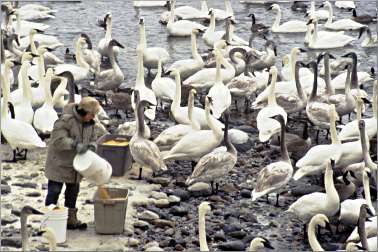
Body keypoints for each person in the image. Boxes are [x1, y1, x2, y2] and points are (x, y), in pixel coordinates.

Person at [44, 96, 101, 230]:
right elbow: (58, 141)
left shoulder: (90, 123)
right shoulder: (65, 121)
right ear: (83, 112)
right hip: (59, 164)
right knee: (54, 191)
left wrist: (92, 146)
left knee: (73, 191)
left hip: (76, 165)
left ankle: (70, 219)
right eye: (91, 114)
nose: (93, 117)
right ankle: (48, 221)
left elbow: (93, 138)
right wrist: (76, 145)